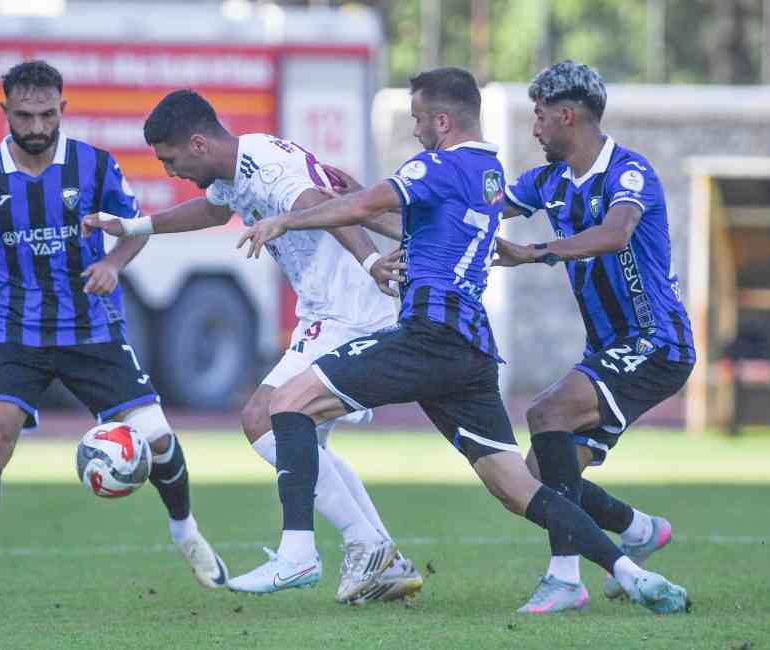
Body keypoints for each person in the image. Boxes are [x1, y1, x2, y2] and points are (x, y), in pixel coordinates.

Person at [234, 65, 688, 614]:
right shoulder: (491, 173)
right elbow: (423, 223)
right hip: (471, 352)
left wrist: (285, 221)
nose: (415, 130)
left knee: (287, 403)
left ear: (442, 121)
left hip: (438, 336)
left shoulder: (440, 165)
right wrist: (368, 205)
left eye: (418, 119)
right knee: (520, 485)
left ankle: (298, 552)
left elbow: (366, 206)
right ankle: (632, 570)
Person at [83, 89, 423, 604]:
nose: (171, 172)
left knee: (263, 418)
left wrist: (371, 261)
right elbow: (212, 212)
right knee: (304, 443)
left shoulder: (264, 166)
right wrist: (134, 226)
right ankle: (381, 559)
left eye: (171, 160)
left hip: (349, 311)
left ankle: (328, 551)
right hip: (327, 312)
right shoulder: (238, 167)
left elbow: (322, 204)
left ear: (198, 144)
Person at [0, 61, 226, 598]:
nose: (37, 126)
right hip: (18, 329)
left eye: (47, 114)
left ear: (62, 108)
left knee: (157, 437)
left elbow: (136, 228)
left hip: (91, 328)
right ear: (6, 112)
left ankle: (187, 532)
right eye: (25, 115)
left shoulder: (95, 165)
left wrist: (112, 263)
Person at [493, 60, 696, 613]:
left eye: (540, 116)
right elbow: (480, 213)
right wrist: (397, 209)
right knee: (538, 478)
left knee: (545, 413)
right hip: (610, 349)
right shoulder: (548, 181)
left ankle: (565, 579)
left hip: (656, 341)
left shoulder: (629, 172)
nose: (534, 129)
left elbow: (614, 234)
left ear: (567, 116)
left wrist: (533, 252)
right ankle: (637, 529)